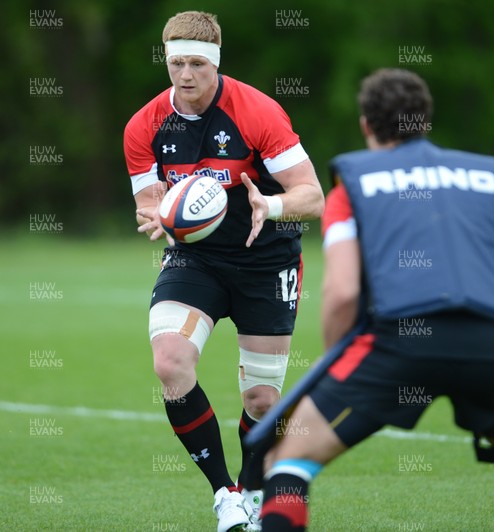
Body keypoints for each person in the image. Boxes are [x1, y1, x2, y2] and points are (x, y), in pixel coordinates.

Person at [258, 68, 494, 531]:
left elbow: (342, 293)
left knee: (287, 459)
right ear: (426, 119)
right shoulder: (487, 178)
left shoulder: (353, 186)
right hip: (487, 343)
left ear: (366, 125)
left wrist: (337, 363)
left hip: (396, 343)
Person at [123, 11, 324, 532]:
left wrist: (272, 206)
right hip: (197, 259)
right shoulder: (144, 127)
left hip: (267, 259)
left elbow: (313, 196)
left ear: (214, 63)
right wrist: (155, 214)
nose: (184, 75)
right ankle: (225, 495)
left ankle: (254, 489)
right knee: (170, 363)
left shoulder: (257, 112)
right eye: (175, 63)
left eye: (195, 63)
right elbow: (150, 201)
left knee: (261, 398)